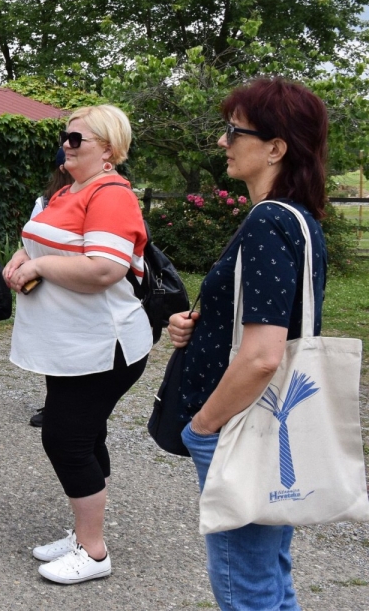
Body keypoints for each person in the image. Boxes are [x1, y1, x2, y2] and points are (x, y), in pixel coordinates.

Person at [167, 78, 330, 611]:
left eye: (234, 131)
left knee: (245, 588)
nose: (223, 141)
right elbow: (285, 319)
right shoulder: (302, 221)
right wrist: (204, 323)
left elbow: (263, 354)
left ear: (275, 148)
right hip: (280, 425)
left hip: (242, 428)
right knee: (270, 576)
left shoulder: (267, 221)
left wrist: (203, 426)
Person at [3, 104, 151, 585]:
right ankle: (84, 532)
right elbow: (49, 240)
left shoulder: (111, 195)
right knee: (85, 436)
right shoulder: (69, 190)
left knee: (65, 439)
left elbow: (105, 268)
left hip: (102, 346)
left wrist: (39, 266)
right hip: (70, 344)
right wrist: (23, 256)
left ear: (108, 149)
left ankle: (93, 550)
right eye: (64, 137)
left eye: (76, 139)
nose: (65, 145)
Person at [28, 149, 73, 428]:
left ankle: (71, 406)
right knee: (54, 345)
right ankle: (54, 404)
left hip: (76, 286)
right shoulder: (44, 203)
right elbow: (31, 243)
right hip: (50, 286)